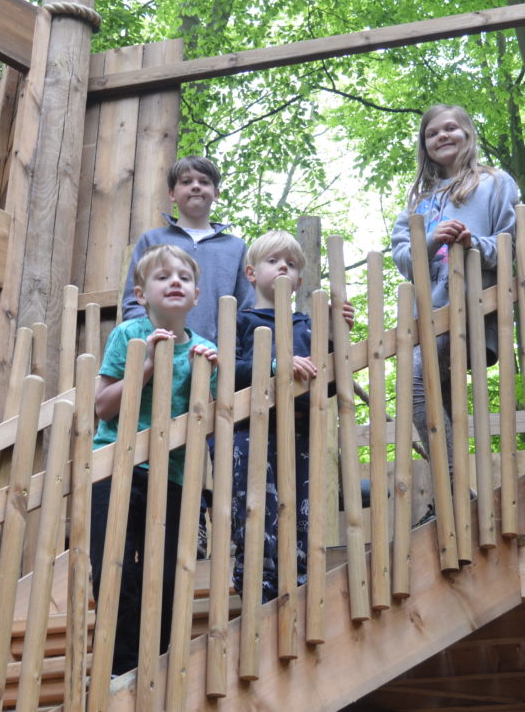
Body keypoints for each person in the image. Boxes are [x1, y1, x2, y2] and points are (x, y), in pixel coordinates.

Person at [91, 244, 219, 676]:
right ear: (141, 294)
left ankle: (156, 663)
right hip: (116, 469)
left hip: (177, 477)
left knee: (167, 574)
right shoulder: (127, 334)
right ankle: (117, 667)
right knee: (115, 568)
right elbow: (104, 406)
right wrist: (145, 362)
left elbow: (211, 418)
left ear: (197, 296)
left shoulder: (205, 349)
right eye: (163, 277)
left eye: (183, 277)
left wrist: (208, 378)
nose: (175, 282)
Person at [390, 105, 521, 468]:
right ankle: (453, 494)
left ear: (468, 134)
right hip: (429, 314)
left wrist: (472, 242)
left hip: (471, 306)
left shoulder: (495, 183)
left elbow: (510, 244)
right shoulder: (419, 200)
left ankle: (451, 485)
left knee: (417, 389)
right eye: (432, 133)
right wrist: (430, 240)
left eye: (450, 128)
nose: (442, 136)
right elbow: (403, 259)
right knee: (436, 401)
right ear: (424, 144)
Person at [229, 230, 354, 604]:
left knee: (300, 505)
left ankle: (300, 581)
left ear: (299, 279)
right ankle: (256, 584)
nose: (283, 266)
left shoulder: (309, 325)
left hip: (301, 432)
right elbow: (228, 374)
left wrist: (335, 336)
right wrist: (275, 365)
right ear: (252, 273)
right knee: (255, 506)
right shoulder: (241, 321)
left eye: (292, 263)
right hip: (252, 432)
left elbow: (330, 385)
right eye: (273, 261)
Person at [121, 155, 253, 344]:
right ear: (172, 194)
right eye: (186, 181)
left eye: (204, 181)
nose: (196, 186)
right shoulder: (152, 240)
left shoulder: (235, 247)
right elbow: (133, 300)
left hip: (216, 358)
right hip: (158, 352)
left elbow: (246, 307)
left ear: (216, 194)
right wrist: (150, 339)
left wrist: (233, 353)